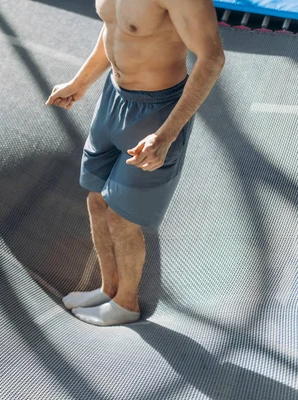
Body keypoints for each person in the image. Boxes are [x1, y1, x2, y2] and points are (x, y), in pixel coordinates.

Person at [45, 0, 225, 326]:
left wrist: (166, 134)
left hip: (157, 113)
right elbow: (113, 30)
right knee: (97, 199)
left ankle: (126, 303)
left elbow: (212, 58)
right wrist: (81, 82)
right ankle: (108, 289)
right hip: (113, 98)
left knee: (121, 219)